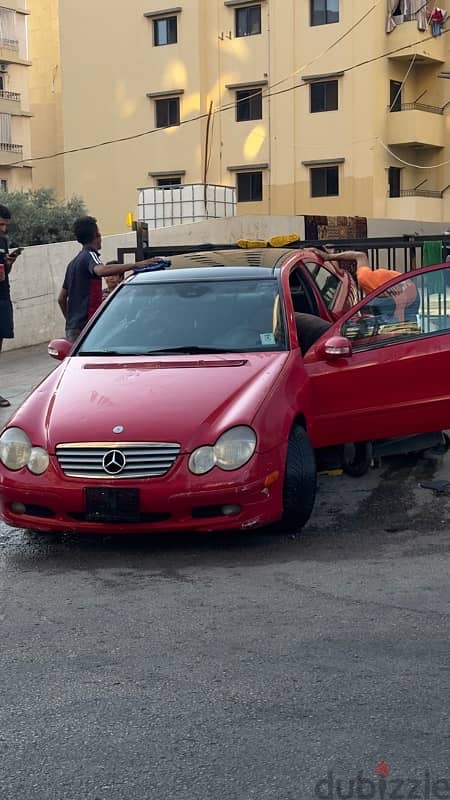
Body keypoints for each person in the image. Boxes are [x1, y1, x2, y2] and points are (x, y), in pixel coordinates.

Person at [58, 216, 160, 342]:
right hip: (88, 327)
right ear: (97, 235)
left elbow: (61, 298)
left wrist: (71, 321)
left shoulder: (72, 264)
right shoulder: (89, 255)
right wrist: (136, 264)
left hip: (73, 329)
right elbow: (101, 270)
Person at [320, 249, 419, 322]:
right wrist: (329, 257)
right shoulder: (365, 275)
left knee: (402, 325)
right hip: (399, 288)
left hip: (411, 296)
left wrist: (399, 328)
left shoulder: (366, 279)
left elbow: (399, 317)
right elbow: (360, 255)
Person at [0, 204, 22, 407]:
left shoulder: (3, 241)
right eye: (0, 225)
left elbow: (6, 271)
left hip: (2, 297)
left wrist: (9, 262)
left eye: (5, 225)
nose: (3, 229)